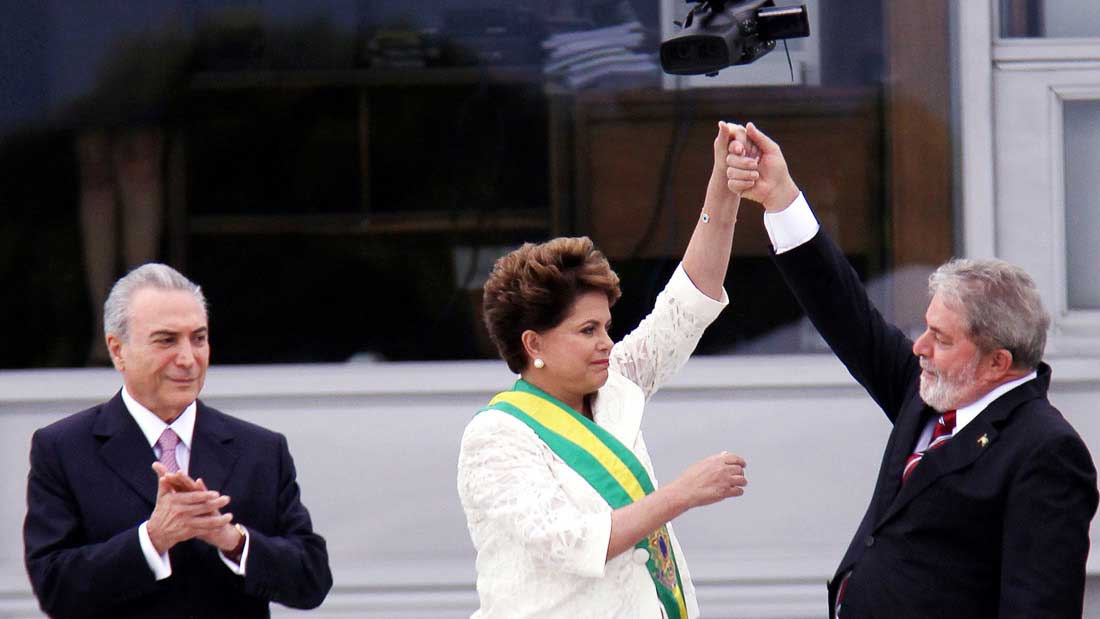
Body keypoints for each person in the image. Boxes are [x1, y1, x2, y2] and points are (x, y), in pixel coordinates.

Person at [730, 123, 1099, 618]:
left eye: (942, 339)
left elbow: (1038, 608)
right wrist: (779, 197)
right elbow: (846, 314)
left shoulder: (1046, 451)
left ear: (998, 362)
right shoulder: (932, 389)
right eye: (927, 328)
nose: (920, 347)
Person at [457, 122, 759, 618]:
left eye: (606, 327)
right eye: (587, 330)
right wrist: (682, 494)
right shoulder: (494, 438)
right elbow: (576, 542)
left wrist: (723, 190)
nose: (607, 344)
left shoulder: (614, 385)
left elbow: (686, 306)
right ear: (533, 343)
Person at [24, 263, 332, 618]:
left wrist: (234, 542)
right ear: (117, 349)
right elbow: (55, 589)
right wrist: (153, 539)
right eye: (167, 340)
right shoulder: (63, 449)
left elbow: (312, 579)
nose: (188, 359)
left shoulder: (261, 450)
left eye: (198, 338)